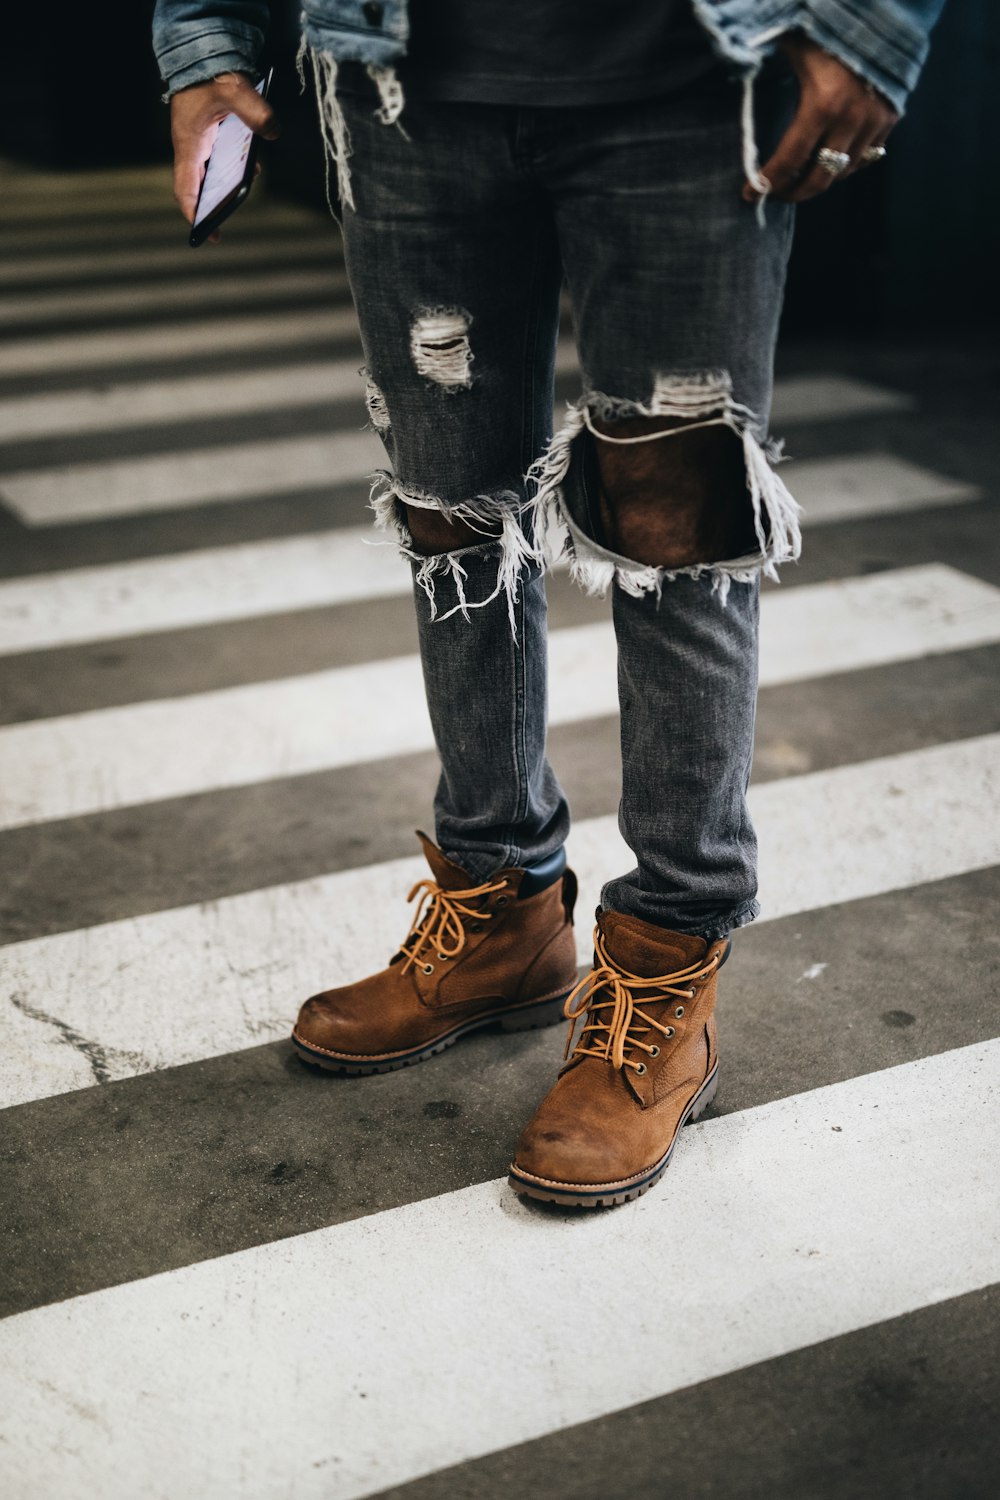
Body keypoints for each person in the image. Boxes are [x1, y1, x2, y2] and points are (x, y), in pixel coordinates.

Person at [153, 0, 945, 1208]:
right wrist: (205, 43)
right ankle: (501, 911)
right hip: (401, 90)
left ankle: (669, 965)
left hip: (683, 80)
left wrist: (876, 22)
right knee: (447, 520)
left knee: (677, 523)